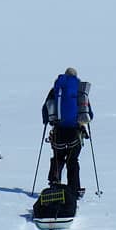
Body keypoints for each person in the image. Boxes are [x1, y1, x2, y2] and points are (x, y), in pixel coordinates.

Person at [42, 66, 92, 198]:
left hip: (58, 131)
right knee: (73, 160)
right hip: (75, 133)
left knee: (58, 158)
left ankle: (54, 183)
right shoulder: (80, 91)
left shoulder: (56, 90)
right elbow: (88, 114)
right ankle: (74, 189)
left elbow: (45, 109)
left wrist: (48, 122)